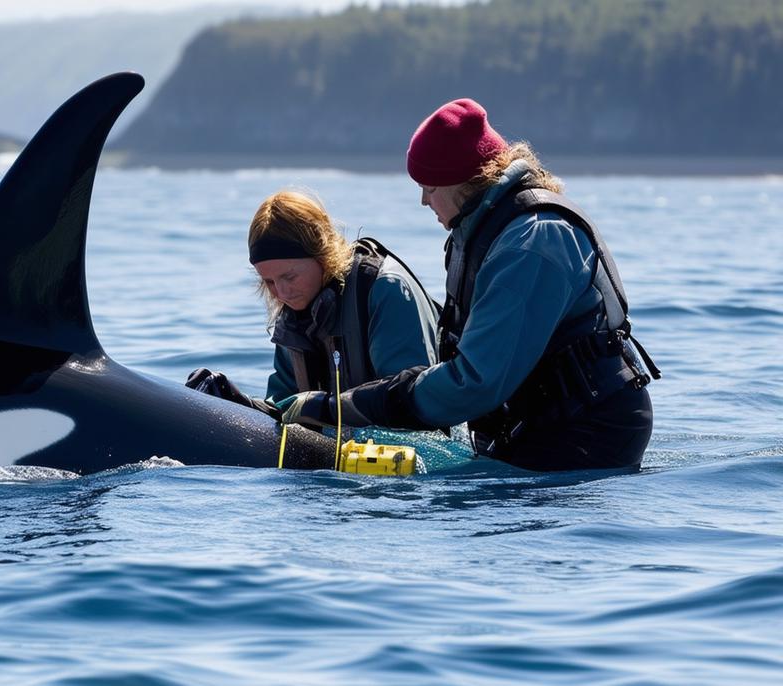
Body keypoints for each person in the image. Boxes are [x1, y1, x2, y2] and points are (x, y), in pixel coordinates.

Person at [280, 99, 660, 471]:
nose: (424, 200)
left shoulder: (533, 242)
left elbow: (476, 382)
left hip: (587, 437)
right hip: (533, 427)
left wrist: (341, 407)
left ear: (462, 181)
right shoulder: (483, 231)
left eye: (429, 186)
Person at [187, 190, 440, 418]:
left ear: (323, 256)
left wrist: (323, 407)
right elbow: (284, 408)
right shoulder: (296, 311)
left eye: (289, 276)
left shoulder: (387, 290)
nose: (282, 292)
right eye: (270, 282)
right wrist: (236, 404)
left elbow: (412, 403)